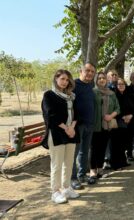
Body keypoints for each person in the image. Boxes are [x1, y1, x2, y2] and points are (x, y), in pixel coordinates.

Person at [42, 69, 80, 204]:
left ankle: (66, 187)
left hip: (71, 132)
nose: (65, 82)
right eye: (62, 79)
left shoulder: (71, 96)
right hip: (57, 133)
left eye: (67, 79)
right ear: (56, 79)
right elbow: (51, 115)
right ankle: (55, 192)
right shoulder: (49, 95)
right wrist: (67, 129)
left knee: (69, 163)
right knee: (57, 164)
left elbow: (77, 114)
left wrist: (72, 127)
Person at [88, 72, 120, 185]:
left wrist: (110, 116)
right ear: (96, 80)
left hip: (106, 126)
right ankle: (92, 171)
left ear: (107, 80)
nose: (102, 80)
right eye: (99, 78)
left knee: (102, 148)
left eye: (104, 78)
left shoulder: (111, 93)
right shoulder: (92, 92)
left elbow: (117, 108)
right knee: (93, 149)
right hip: (94, 125)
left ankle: (100, 169)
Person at [71, 63, 96, 190]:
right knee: (74, 153)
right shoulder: (73, 85)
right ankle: (73, 178)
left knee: (84, 152)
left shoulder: (90, 85)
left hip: (89, 124)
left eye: (92, 71)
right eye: (87, 70)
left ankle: (82, 175)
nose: (90, 73)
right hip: (77, 125)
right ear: (80, 71)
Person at [111, 78, 133, 170]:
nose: (121, 86)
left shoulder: (127, 95)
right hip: (117, 121)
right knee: (116, 144)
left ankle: (123, 162)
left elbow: (132, 107)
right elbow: (113, 108)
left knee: (123, 144)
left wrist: (130, 116)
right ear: (116, 86)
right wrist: (123, 117)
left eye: (123, 84)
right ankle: (116, 164)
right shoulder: (114, 95)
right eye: (119, 84)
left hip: (126, 122)